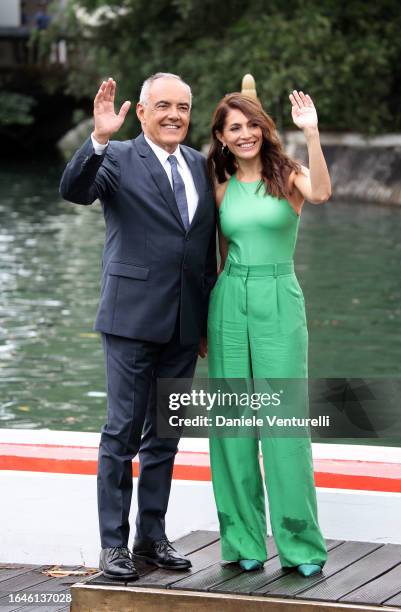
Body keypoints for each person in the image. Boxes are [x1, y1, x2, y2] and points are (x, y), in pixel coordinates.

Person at [60, 73, 217, 580]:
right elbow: (75, 190)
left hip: (184, 323)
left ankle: (152, 537)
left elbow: (202, 247)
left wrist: (206, 321)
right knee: (121, 433)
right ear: (144, 111)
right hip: (130, 320)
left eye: (184, 107)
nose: (175, 115)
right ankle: (113, 545)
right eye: (164, 106)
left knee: (165, 438)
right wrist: (99, 138)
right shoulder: (119, 156)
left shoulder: (199, 164)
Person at [207, 90, 331, 576]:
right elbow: (219, 258)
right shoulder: (220, 187)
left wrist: (313, 132)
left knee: (285, 427)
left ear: (264, 128)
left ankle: (300, 545)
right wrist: (204, 327)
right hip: (229, 303)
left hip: (279, 298)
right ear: (221, 137)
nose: (244, 134)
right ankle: (243, 540)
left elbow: (322, 193)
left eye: (251, 125)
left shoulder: (290, 176)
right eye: (233, 128)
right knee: (232, 427)